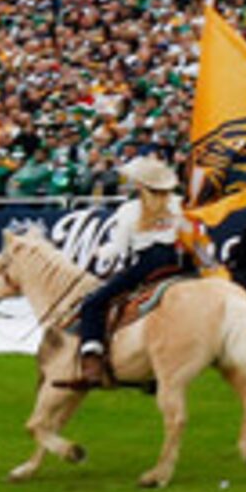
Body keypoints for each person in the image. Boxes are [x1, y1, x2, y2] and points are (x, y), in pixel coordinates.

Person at [72, 156, 208, 387]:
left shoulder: (129, 210)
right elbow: (194, 238)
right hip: (180, 264)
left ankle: (92, 358)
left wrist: (99, 253)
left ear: (140, 185)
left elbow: (118, 249)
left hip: (147, 266)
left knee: (93, 304)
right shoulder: (180, 204)